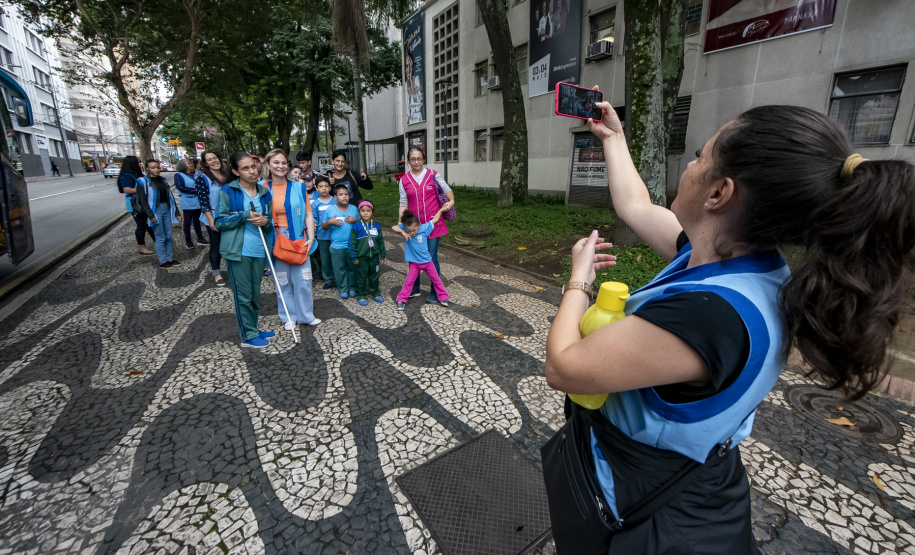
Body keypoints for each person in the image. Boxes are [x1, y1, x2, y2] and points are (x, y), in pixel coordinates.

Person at [543, 100, 915, 553]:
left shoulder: (709, 316)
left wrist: (578, 281)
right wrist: (613, 138)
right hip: (697, 480)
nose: (692, 163)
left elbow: (564, 367)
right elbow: (636, 204)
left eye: (701, 155)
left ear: (719, 192)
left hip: (646, 508)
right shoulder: (743, 264)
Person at [215, 152, 276, 349]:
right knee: (243, 295)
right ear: (235, 171)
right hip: (238, 251)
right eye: (245, 168)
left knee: (254, 293)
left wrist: (266, 222)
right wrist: (243, 215)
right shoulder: (228, 191)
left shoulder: (264, 192)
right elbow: (219, 222)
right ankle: (248, 336)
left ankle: (254, 328)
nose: (252, 171)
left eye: (253, 166)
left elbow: (269, 222)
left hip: (259, 249)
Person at [262, 148, 321, 328]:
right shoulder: (261, 188)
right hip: (276, 239)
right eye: (276, 163)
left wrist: (311, 237)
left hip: (298, 239)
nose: (280, 166)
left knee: (303, 280)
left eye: (283, 162)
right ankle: (288, 316)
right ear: (268, 165)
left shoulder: (299, 186)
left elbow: (308, 215)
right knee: (283, 281)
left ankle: (306, 315)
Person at [398, 147, 455, 303]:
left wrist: (451, 203)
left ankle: (435, 291)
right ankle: (413, 289)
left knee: (431, 258)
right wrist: (400, 223)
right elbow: (403, 204)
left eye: (419, 158)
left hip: (432, 224)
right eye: (413, 159)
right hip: (412, 226)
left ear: (423, 159)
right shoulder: (404, 180)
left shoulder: (433, 175)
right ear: (408, 161)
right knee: (413, 258)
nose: (416, 162)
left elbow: (448, 191)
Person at [393, 209, 449, 310]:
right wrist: (403, 232)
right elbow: (393, 227)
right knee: (409, 282)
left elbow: (435, 219)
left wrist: (441, 209)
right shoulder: (405, 229)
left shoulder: (424, 228)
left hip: (428, 262)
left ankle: (443, 297)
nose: (412, 232)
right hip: (415, 264)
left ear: (419, 224)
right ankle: (401, 299)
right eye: (409, 231)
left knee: (436, 280)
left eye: (414, 230)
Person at [136, 159, 182, 269]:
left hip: (166, 208)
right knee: (160, 237)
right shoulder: (143, 181)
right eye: (153, 168)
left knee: (168, 236)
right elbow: (143, 201)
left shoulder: (163, 180)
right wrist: (150, 215)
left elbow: (170, 197)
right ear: (147, 168)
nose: (156, 170)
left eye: (157, 167)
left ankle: (170, 258)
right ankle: (162, 261)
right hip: (155, 211)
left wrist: (176, 212)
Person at [196, 151, 229, 286]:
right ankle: (217, 274)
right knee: (216, 246)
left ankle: (233, 270)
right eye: (209, 160)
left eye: (215, 158)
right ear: (205, 163)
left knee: (231, 244)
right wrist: (210, 220)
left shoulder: (227, 176)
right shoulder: (202, 179)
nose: (214, 161)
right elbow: (204, 203)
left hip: (230, 216)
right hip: (214, 216)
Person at [321, 184, 359, 299]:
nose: (344, 197)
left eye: (346, 194)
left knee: (352, 268)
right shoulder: (330, 210)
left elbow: (362, 225)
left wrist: (355, 220)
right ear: (335, 197)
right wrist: (329, 222)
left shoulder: (353, 209)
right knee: (339, 269)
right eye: (341, 194)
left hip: (352, 246)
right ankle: (343, 289)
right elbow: (324, 227)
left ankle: (352, 287)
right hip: (336, 246)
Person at [349, 201, 386, 305]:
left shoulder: (377, 226)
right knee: (361, 277)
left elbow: (381, 241)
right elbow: (352, 242)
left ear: (372, 212)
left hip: (374, 257)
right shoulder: (356, 226)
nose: (365, 213)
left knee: (374, 276)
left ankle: (375, 293)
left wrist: (382, 255)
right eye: (363, 211)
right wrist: (354, 256)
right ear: (359, 212)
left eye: (368, 211)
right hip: (362, 258)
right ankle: (361, 295)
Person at [118, 156, 155, 255]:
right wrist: (144, 190)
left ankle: (158, 243)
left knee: (149, 224)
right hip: (135, 204)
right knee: (142, 225)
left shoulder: (136, 174)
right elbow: (127, 189)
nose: (140, 164)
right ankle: (141, 247)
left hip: (142, 202)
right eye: (138, 162)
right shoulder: (127, 176)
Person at [174, 158, 208, 249]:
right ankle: (188, 242)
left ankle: (200, 238)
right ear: (183, 165)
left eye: (191, 163)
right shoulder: (178, 175)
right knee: (187, 222)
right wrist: (197, 191)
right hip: (188, 202)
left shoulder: (195, 174)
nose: (191, 164)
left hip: (198, 202)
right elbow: (181, 187)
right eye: (189, 163)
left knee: (197, 221)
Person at [312, 178, 337, 289]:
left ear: (330, 187)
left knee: (336, 258)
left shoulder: (335, 201)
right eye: (321, 186)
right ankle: (327, 280)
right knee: (325, 259)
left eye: (326, 186)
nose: (324, 189)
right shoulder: (315, 203)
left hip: (336, 235)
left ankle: (337, 279)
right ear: (317, 188)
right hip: (322, 236)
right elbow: (314, 219)